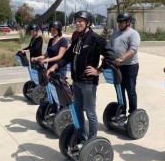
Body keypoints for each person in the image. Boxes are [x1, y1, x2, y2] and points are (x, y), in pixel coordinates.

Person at [47, 11, 115, 140]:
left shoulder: (96, 39)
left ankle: (92, 139)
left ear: (88, 23)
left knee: (90, 113)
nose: (77, 23)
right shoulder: (77, 38)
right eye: (76, 21)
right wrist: (54, 66)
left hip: (88, 82)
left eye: (81, 21)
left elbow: (111, 55)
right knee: (78, 111)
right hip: (76, 82)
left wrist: (99, 70)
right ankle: (82, 136)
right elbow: (67, 56)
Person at [108, 13, 140, 119]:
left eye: (121, 22)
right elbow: (110, 46)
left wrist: (122, 58)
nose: (119, 24)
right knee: (119, 89)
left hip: (130, 66)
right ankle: (122, 112)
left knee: (130, 90)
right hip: (117, 66)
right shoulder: (115, 33)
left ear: (128, 22)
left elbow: (133, 50)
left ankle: (133, 114)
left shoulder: (133, 34)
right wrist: (108, 56)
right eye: (118, 22)